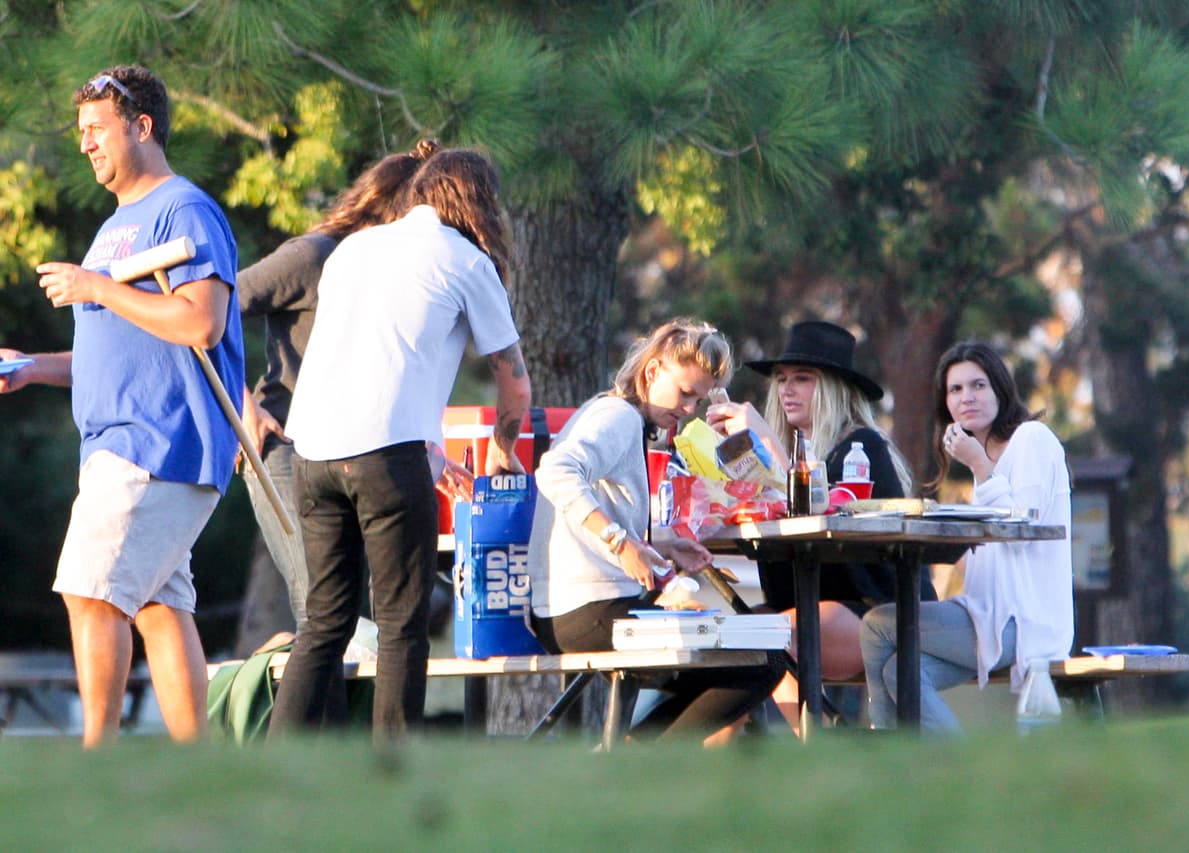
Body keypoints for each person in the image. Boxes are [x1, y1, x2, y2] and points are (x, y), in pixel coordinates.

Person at [0, 65, 243, 746]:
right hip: (122, 444)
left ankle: (96, 764)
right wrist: (29, 368)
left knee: (90, 589)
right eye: (79, 132)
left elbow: (200, 323)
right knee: (161, 609)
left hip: (156, 444)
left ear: (142, 127)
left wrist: (95, 288)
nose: (85, 144)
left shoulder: (183, 208)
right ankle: (201, 767)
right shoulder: (114, 230)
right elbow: (117, 357)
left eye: (96, 129)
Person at [267, 148, 532, 742]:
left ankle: (274, 763)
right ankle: (391, 773)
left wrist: (430, 446)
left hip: (312, 451)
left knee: (324, 622)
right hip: (387, 457)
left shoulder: (354, 248)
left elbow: (379, 359)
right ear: (478, 204)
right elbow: (513, 379)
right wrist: (500, 449)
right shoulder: (467, 261)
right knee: (400, 626)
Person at [528, 319, 787, 744]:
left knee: (749, 655)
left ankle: (635, 755)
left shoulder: (619, 416)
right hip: (584, 611)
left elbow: (602, 509)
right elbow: (555, 472)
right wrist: (621, 541)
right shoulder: (618, 416)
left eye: (698, 400)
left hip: (581, 609)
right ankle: (636, 761)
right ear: (652, 372)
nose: (688, 410)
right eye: (685, 393)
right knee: (763, 660)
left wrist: (661, 543)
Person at [238, 139, 441, 631]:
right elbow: (205, 312)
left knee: (360, 618)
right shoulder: (313, 256)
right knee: (322, 612)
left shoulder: (394, 277)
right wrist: (241, 407)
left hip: (355, 454)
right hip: (285, 447)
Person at [707, 320, 933, 733]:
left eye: (803, 379)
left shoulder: (861, 447)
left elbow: (816, 511)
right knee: (729, 641)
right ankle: (701, 773)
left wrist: (765, 444)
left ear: (831, 387)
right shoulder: (784, 455)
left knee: (778, 634)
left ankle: (815, 748)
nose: (786, 389)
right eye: (781, 379)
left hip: (882, 613)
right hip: (805, 608)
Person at [859, 341, 1073, 733]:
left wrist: (977, 463)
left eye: (978, 386)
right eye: (955, 390)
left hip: (1023, 621)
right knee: (898, 672)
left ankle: (887, 762)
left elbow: (1022, 529)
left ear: (1000, 390)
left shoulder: (1032, 439)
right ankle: (949, 779)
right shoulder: (988, 461)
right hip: (984, 613)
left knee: (876, 624)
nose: (966, 398)